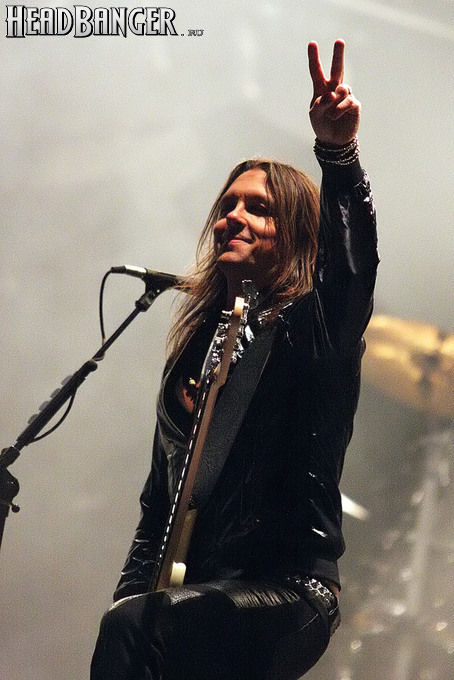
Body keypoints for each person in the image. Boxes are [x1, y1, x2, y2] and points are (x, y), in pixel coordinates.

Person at [90, 40, 379, 680]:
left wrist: (339, 155)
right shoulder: (195, 350)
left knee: (134, 628)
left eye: (259, 208)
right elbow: (158, 505)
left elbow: (352, 270)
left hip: (289, 590)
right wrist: (128, 607)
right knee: (130, 624)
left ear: (295, 234)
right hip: (197, 590)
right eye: (227, 206)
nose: (234, 218)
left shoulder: (313, 329)